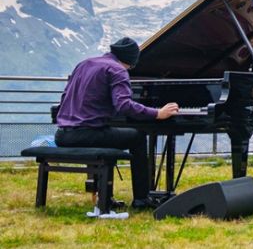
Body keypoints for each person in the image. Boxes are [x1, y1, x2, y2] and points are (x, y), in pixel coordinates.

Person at [55, 37, 179, 209]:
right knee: (137, 137)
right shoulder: (118, 70)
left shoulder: (84, 64)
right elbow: (124, 105)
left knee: (111, 134)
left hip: (62, 134)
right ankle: (141, 199)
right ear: (131, 59)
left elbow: (65, 97)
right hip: (86, 134)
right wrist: (157, 113)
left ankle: (107, 194)